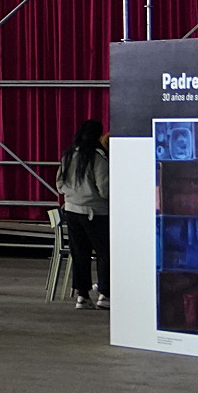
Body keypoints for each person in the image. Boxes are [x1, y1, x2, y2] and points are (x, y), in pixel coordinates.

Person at [54, 116, 110, 310]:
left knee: (80, 254)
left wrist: (72, 195)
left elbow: (59, 183)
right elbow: (104, 188)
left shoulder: (69, 154)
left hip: (71, 210)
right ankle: (105, 294)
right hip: (96, 212)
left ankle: (82, 296)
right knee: (104, 253)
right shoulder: (97, 157)